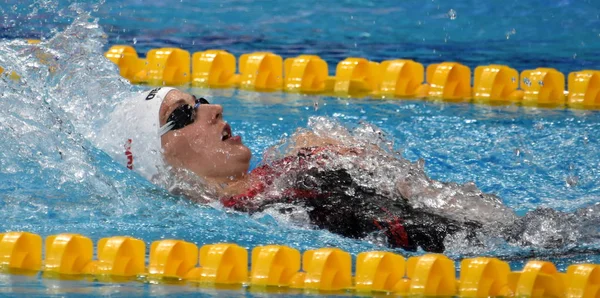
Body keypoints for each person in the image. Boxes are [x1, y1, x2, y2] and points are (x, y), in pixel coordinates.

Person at [97, 87, 595, 253]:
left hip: (522, 235)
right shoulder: (230, 223)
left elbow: (436, 196)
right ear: (157, 161)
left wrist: (362, 156)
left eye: (203, 99)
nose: (214, 109)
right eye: (183, 115)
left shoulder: (291, 164)